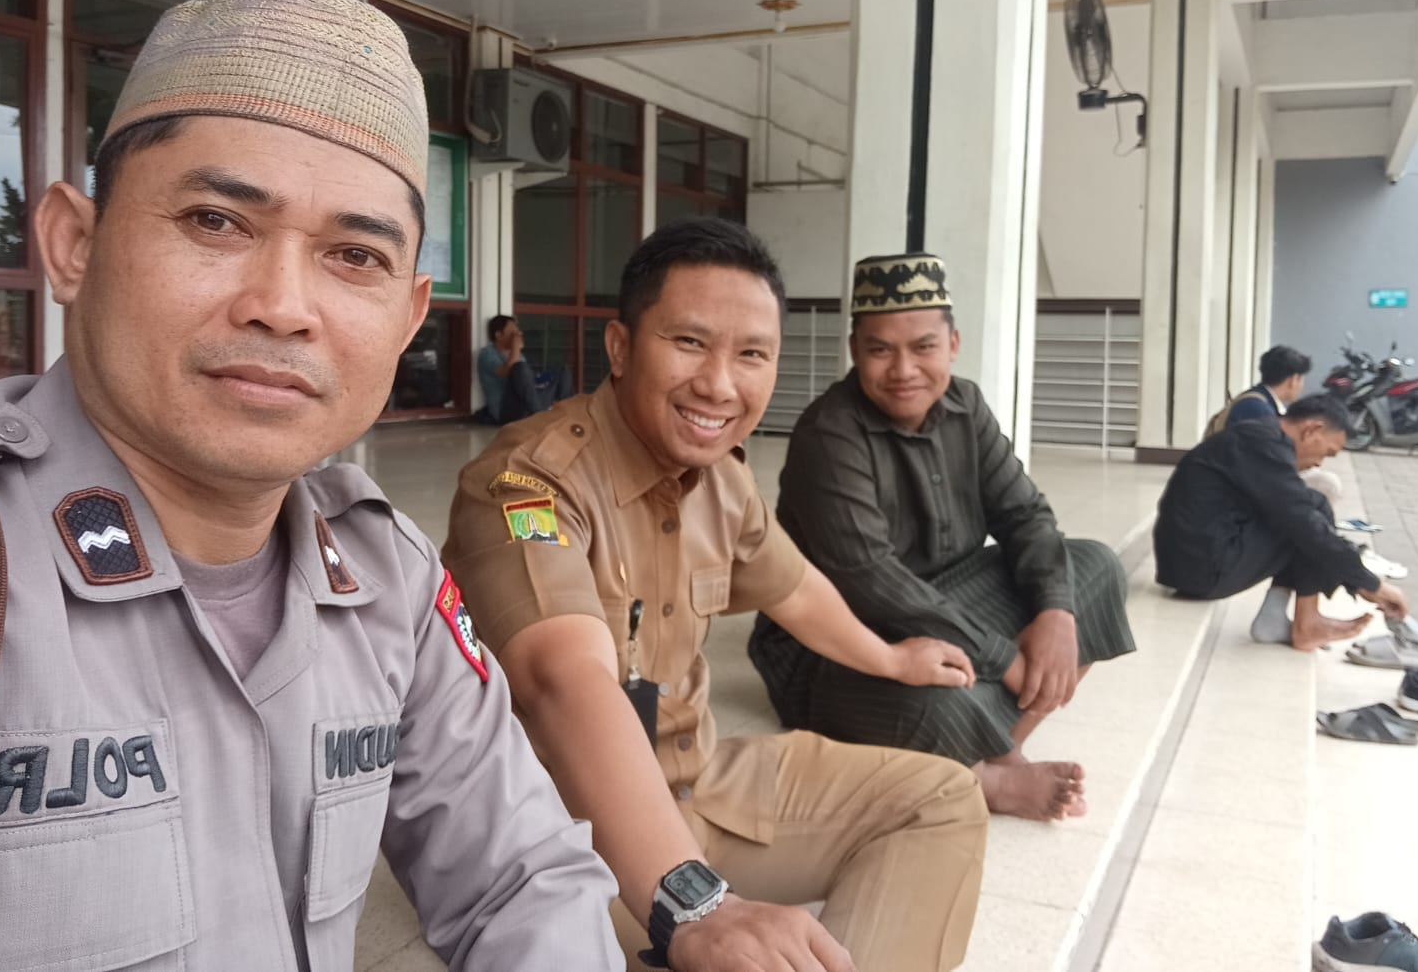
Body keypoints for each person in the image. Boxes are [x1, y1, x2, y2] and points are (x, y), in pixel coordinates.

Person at [0, 0, 622, 971]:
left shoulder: (389, 580)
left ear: (409, 315)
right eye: (216, 221)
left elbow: (524, 878)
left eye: (354, 255)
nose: (284, 306)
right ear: (74, 243)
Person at [443, 220, 989, 972]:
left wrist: (893, 660)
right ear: (620, 348)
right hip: (565, 830)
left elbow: (795, 589)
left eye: (752, 354)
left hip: (700, 785)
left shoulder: (723, 478)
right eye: (690, 343)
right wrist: (695, 903)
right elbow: (560, 678)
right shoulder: (527, 482)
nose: (719, 385)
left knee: (939, 797)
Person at [749, 253, 1136, 823]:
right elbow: (868, 580)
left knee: (1094, 569)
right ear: (854, 350)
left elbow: (1024, 514)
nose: (903, 369)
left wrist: (1055, 611)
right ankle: (987, 778)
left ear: (953, 344)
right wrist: (1002, 657)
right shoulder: (828, 434)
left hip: (948, 595)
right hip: (838, 639)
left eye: (923, 347)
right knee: (932, 701)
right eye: (881, 350)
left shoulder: (966, 405)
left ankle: (987, 750)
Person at [1153, 393, 1409, 649]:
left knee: (1307, 510)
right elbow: (1303, 521)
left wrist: (1358, 579)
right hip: (1202, 571)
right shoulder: (1261, 443)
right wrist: (1370, 583)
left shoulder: (1261, 436)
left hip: (1193, 565)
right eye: (1327, 452)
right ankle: (1307, 623)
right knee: (1309, 516)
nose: (1319, 462)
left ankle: (1275, 618)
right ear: (1312, 430)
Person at [1210, 344, 1348, 511]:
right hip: (1234, 489)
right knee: (1327, 483)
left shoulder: (1258, 400)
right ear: (1293, 379)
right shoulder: (1258, 409)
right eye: (1301, 379)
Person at [477, 313, 574, 425]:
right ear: (498, 335)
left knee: (561, 371)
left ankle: (567, 416)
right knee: (519, 367)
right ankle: (540, 418)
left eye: (517, 331)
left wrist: (544, 381)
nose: (518, 335)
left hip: (527, 405)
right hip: (506, 411)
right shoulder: (487, 353)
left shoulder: (519, 355)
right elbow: (508, 371)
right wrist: (516, 347)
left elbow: (527, 385)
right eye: (513, 333)